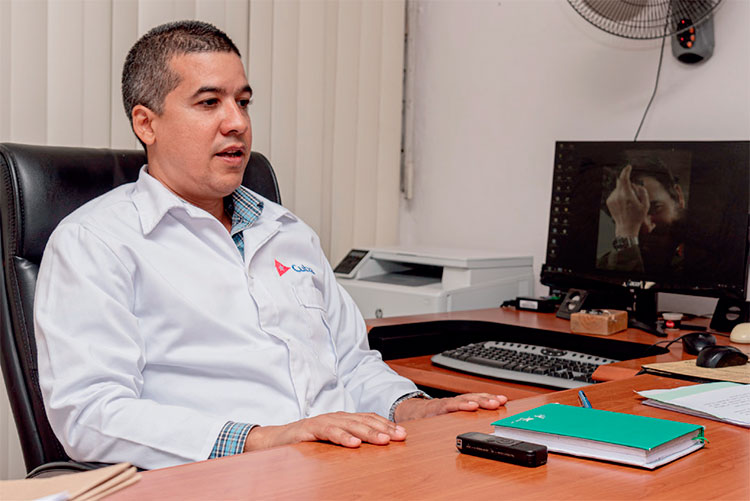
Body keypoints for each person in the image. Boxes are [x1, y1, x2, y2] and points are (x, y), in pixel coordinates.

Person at [34, 20, 507, 470]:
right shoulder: (96, 242)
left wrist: (410, 407)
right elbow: (90, 413)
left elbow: (350, 363)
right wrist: (264, 438)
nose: (237, 122)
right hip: (219, 479)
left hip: (344, 467)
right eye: (209, 103)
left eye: (242, 102)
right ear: (146, 123)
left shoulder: (288, 232)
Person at [599, 160, 688, 274]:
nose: (647, 227)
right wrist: (626, 234)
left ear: (678, 197)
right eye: (631, 215)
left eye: (656, 208)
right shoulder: (605, 266)